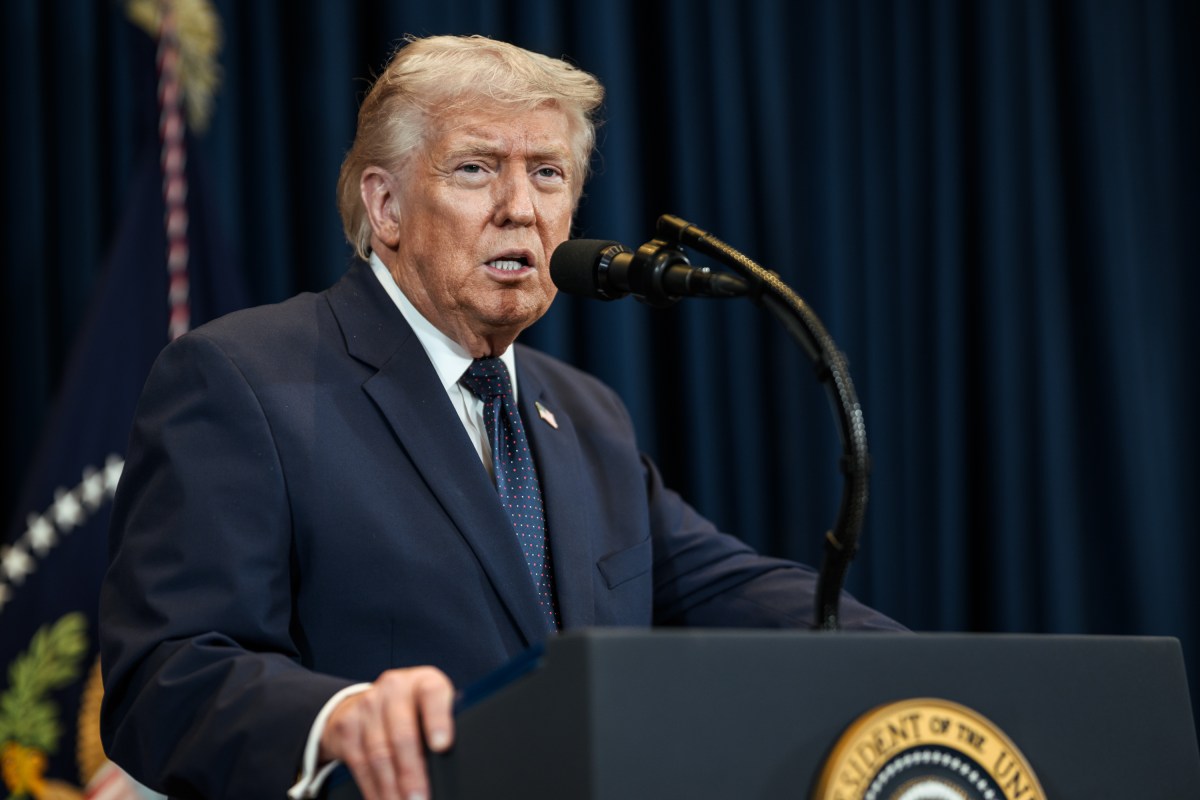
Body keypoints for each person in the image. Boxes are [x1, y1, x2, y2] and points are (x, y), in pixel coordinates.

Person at [99, 34, 903, 800]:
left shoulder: (587, 414)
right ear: (385, 205)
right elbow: (168, 674)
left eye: (548, 174)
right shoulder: (244, 378)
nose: (520, 208)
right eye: (477, 169)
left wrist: (918, 670)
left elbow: (732, 588)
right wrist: (337, 718)